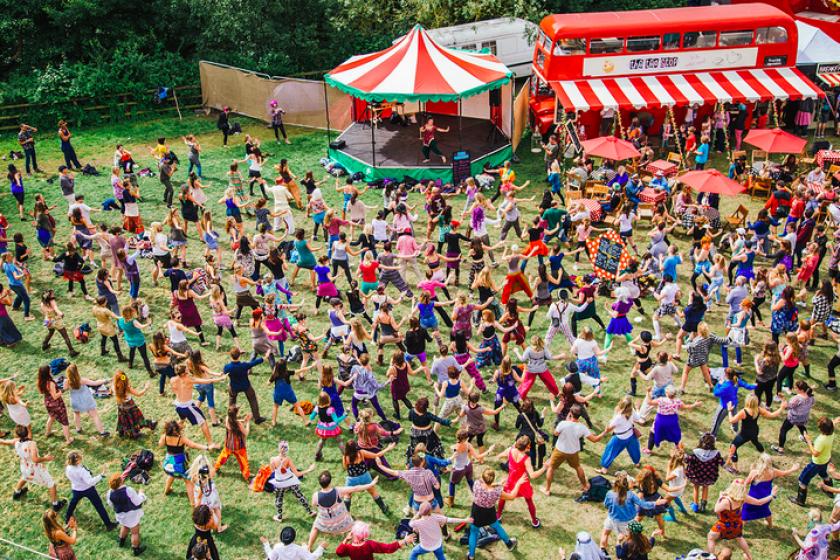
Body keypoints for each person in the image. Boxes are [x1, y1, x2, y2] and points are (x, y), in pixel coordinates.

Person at [707, 478, 777, 560]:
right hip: (736, 523)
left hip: (723, 524)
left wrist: (720, 497)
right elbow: (759, 502)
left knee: (711, 538)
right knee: (739, 538)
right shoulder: (743, 497)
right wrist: (771, 495)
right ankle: (749, 557)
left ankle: (710, 558)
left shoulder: (726, 501)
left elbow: (716, 509)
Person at [307, 470, 378, 551]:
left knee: (315, 527)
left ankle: (309, 547)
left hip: (326, 525)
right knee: (356, 528)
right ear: (330, 482)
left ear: (320, 483)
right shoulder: (338, 491)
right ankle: (358, 546)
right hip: (344, 524)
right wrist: (371, 484)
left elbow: (313, 504)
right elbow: (355, 488)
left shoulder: (315, 495)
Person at [544, 405, 606, 496]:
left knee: (551, 468)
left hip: (560, 450)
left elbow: (555, 433)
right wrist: (605, 432)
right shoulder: (582, 427)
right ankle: (584, 486)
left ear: (570, 413)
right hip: (573, 452)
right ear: (579, 416)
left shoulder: (563, 423)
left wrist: (566, 420)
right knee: (577, 467)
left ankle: (547, 490)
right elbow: (594, 440)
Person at [0, 425, 66, 511]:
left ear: (17, 435)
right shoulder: (32, 444)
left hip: (24, 466)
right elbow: (35, 459)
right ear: (27, 433)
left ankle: (17, 493)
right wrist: (46, 458)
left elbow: (3, 442)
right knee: (51, 483)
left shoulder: (15, 441)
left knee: (24, 477)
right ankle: (56, 505)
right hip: (35, 469)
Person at [64, 451, 116, 530]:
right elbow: (90, 482)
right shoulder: (81, 470)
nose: (81, 458)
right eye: (80, 457)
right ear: (77, 461)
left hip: (76, 489)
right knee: (99, 506)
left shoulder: (68, 468)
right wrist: (101, 475)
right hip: (88, 489)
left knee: (73, 503)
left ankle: (67, 518)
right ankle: (108, 525)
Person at [790, 416, 835, 506]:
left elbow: (815, 453)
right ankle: (829, 491)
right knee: (824, 474)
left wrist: (808, 441)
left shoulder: (821, 440)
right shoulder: (831, 434)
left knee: (803, 480)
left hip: (816, 463)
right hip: (825, 460)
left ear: (822, 429)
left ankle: (800, 500)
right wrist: (835, 421)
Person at [269, 440, 315, 522]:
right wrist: (309, 470)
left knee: (279, 498)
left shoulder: (272, 459)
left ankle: (279, 516)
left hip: (279, 482)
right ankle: (310, 511)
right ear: (287, 449)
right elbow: (297, 474)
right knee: (299, 495)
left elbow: (272, 471)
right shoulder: (288, 460)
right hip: (290, 481)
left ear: (278, 448)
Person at [222, 347, 267, 424]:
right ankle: (257, 418)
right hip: (245, 385)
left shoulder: (227, 367)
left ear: (231, 356)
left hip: (234, 387)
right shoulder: (244, 365)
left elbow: (224, 373)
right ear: (239, 356)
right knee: (253, 399)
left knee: (232, 402)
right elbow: (254, 362)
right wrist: (264, 358)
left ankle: (231, 418)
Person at [106, 474, 146, 556]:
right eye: (121, 478)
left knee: (125, 526)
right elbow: (137, 501)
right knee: (135, 532)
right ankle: (136, 549)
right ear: (120, 482)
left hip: (120, 515)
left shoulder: (109, 492)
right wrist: (141, 494)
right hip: (131, 515)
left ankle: (121, 541)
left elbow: (111, 504)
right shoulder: (128, 490)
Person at [335, 520, 414, 560]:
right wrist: (404, 541)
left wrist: (346, 540)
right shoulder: (370, 544)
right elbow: (388, 548)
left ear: (353, 533)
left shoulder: (348, 548)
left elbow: (339, 553)